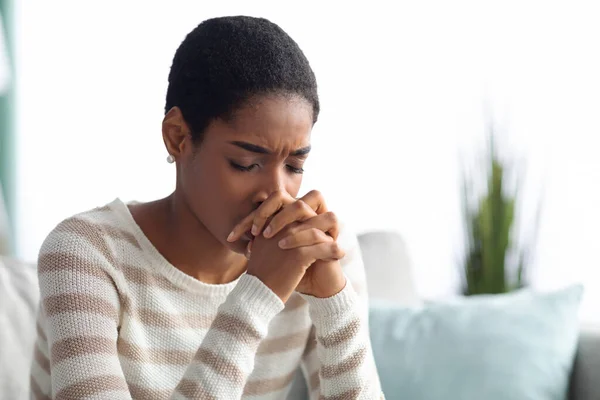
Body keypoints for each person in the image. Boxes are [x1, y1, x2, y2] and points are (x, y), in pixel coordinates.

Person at [30, 16, 383, 400]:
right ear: (178, 137)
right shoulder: (85, 255)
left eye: (295, 166)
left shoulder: (317, 249)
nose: (277, 194)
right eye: (247, 164)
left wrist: (334, 301)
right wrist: (258, 293)